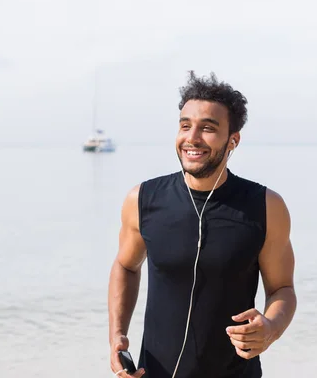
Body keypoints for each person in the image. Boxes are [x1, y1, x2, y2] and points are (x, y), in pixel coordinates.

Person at [108, 71, 296, 378]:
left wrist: (271, 327)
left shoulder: (265, 207)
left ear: (233, 140)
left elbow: (283, 289)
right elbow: (126, 266)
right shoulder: (142, 199)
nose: (192, 138)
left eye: (208, 128)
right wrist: (117, 335)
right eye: (185, 126)